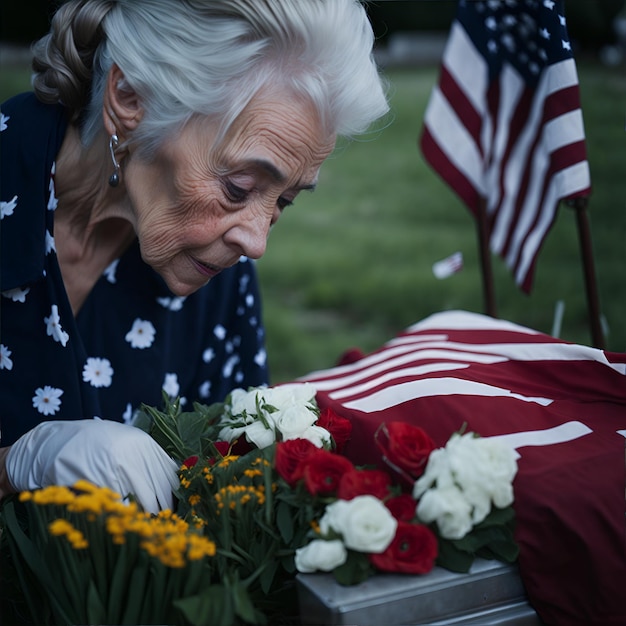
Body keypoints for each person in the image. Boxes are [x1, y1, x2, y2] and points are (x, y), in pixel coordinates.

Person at [0, 0, 388, 511]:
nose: (256, 242)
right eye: (238, 186)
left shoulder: (213, 266)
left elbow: (228, 490)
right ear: (129, 96)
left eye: (284, 201)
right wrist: (14, 467)